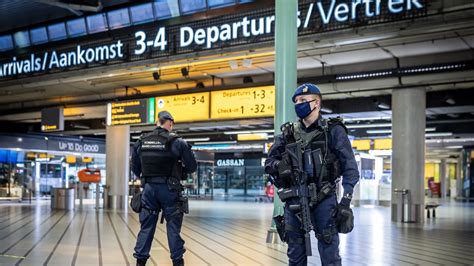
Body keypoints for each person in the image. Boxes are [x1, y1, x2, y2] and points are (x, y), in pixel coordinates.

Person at [265, 83, 360, 266]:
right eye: (296, 101)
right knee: (295, 255)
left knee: (329, 253)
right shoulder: (288, 133)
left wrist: (346, 201)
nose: (298, 104)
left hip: (323, 198)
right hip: (294, 199)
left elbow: (350, 168)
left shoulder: (333, 130)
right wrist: (280, 165)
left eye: (303, 100)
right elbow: (269, 163)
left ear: (316, 103)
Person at [132, 111, 197, 266]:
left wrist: (147, 177)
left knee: (146, 227)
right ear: (170, 123)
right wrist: (179, 172)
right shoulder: (177, 142)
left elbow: (134, 168)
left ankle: (140, 262)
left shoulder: (141, 141)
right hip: (170, 189)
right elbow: (192, 166)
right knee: (173, 228)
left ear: (157, 122)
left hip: (148, 190)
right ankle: (177, 262)